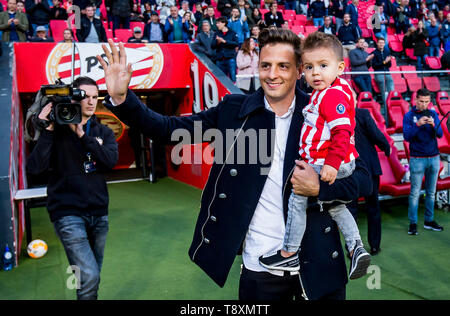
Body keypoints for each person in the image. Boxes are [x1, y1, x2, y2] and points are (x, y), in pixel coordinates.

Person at [96, 28, 372, 300]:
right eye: (266, 65)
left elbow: (364, 179)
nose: (272, 74)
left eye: (283, 66)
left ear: (299, 70)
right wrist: (122, 99)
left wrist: (320, 189)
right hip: (259, 267)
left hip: (318, 265)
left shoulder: (326, 107)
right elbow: (170, 129)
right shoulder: (234, 111)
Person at [258, 31, 371, 280]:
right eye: (309, 67)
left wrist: (330, 165)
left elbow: (342, 132)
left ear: (340, 67)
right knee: (336, 206)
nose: (315, 73)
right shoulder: (326, 92)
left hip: (328, 161)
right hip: (333, 161)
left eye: (322, 66)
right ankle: (356, 247)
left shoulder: (332, 95)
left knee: (297, 201)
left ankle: (289, 253)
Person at [26, 76, 119, 300]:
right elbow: (35, 169)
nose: (90, 101)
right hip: (67, 213)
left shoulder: (103, 132)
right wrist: (47, 130)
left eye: (95, 97)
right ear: (72, 98)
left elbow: (110, 161)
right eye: (84, 96)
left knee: (89, 277)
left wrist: (82, 135)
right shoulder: (55, 133)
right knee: (89, 277)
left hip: (99, 213)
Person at [347, 107, 391, 256]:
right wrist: (386, 147)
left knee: (351, 210)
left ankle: (353, 249)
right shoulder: (363, 113)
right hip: (367, 168)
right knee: (372, 208)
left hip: (349, 169)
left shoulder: (335, 115)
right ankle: (374, 246)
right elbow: (376, 134)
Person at [403, 88, 444, 236]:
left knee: (431, 192)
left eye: (427, 102)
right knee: (414, 193)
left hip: (433, 157)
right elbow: (407, 136)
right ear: (416, 100)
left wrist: (434, 125)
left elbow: (440, 134)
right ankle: (413, 223)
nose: (424, 104)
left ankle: (429, 220)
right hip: (417, 159)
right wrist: (418, 124)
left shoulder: (433, 113)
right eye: (421, 101)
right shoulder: (409, 116)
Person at [214, 16, 239, 82]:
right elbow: (212, 45)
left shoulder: (232, 33)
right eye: (217, 23)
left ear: (224, 23)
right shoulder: (216, 33)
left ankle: (234, 92)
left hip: (230, 58)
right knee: (221, 80)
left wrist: (225, 41)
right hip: (220, 59)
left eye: (218, 23)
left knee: (233, 78)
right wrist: (218, 43)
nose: (217, 25)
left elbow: (236, 43)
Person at [372, 37, 394, 105]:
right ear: (377, 43)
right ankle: (386, 105)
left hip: (387, 72)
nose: (381, 44)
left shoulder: (387, 52)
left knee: (391, 88)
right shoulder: (374, 53)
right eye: (380, 43)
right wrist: (384, 62)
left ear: (384, 44)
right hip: (379, 73)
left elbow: (389, 65)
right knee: (383, 90)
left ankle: (392, 103)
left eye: (382, 43)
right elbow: (374, 66)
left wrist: (388, 61)